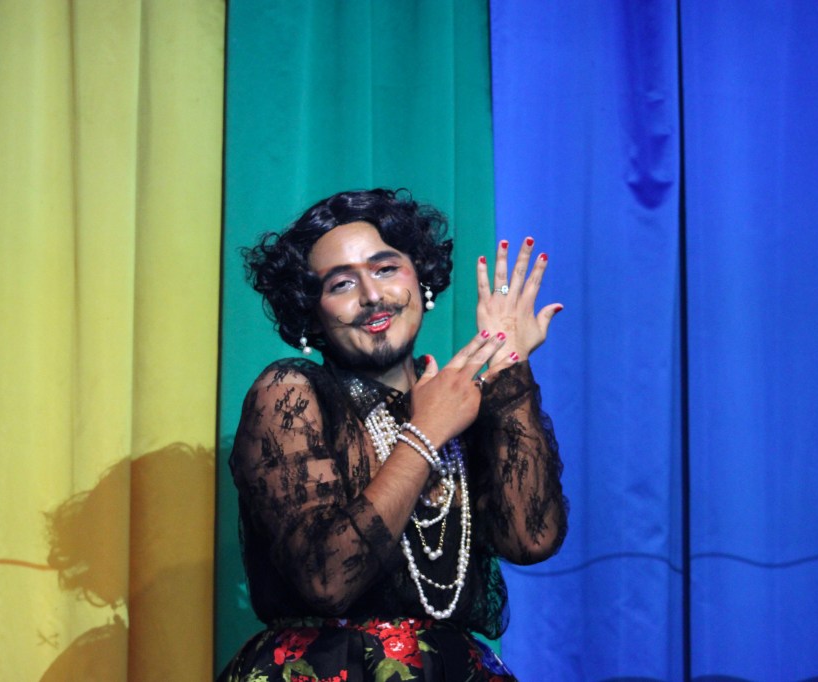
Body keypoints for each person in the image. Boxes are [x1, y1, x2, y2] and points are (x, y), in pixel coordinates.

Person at [220, 189, 567, 682]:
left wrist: (510, 368)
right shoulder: (291, 393)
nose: (372, 296)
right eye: (341, 283)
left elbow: (531, 539)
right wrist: (425, 433)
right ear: (312, 312)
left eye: (385, 269)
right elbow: (327, 579)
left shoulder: (457, 406)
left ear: (420, 277)